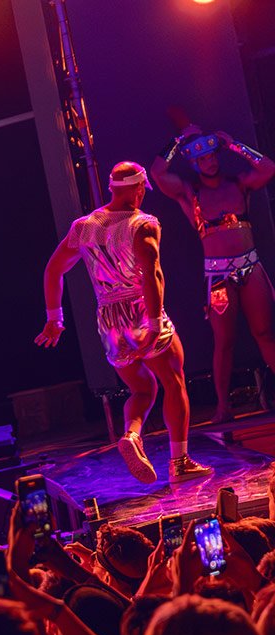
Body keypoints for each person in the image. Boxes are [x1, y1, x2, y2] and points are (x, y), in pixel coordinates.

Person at [36, 162, 212, 484]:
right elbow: (152, 274)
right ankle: (180, 462)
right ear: (139, 188)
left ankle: (132, 435)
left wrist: (54, 318)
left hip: (109, 321)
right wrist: (154, 323)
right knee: (174, 381)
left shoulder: (83, 227)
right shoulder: (142, 224)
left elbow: (53, 270)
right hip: (141, 310)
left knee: (142, 388)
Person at [151, 127, 275, 421]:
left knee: (265, 333)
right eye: (202, 159)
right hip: (218, 277)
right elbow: (157, 173)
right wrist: (178, 139)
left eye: (212, 156)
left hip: (250, 267)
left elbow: (268, 168)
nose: (209, 162)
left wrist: (234, 145)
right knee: (224, 341)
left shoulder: (239, 183)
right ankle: (223, 407)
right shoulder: (189, 192)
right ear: (194, 163)